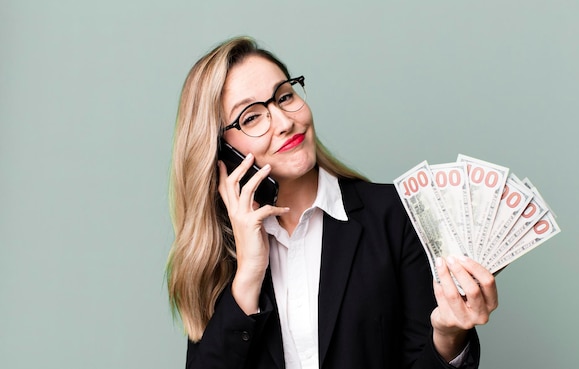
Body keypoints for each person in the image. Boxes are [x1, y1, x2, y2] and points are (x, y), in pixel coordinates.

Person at [166, 36, 498, 369]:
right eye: (251, 117)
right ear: (221, 150)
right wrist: (248, 276)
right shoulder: (220, 253)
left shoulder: (395, 215)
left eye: (285, 96)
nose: (284, 122)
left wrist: (448, 336)